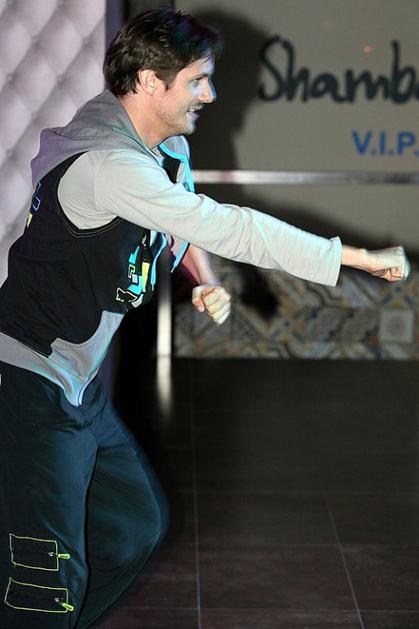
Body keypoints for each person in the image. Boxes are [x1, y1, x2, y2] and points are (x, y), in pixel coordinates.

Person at [0, 7, 410, 629]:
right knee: (45, 581)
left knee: (134, 527)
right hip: (27, 381)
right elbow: (228, 226)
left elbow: (180, 220)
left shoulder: (162, 148)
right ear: (148, 81)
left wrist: (205, 281)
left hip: (73, 383)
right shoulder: (109, 164)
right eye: (197, 80)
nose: (211, 94)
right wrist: (352, 257)